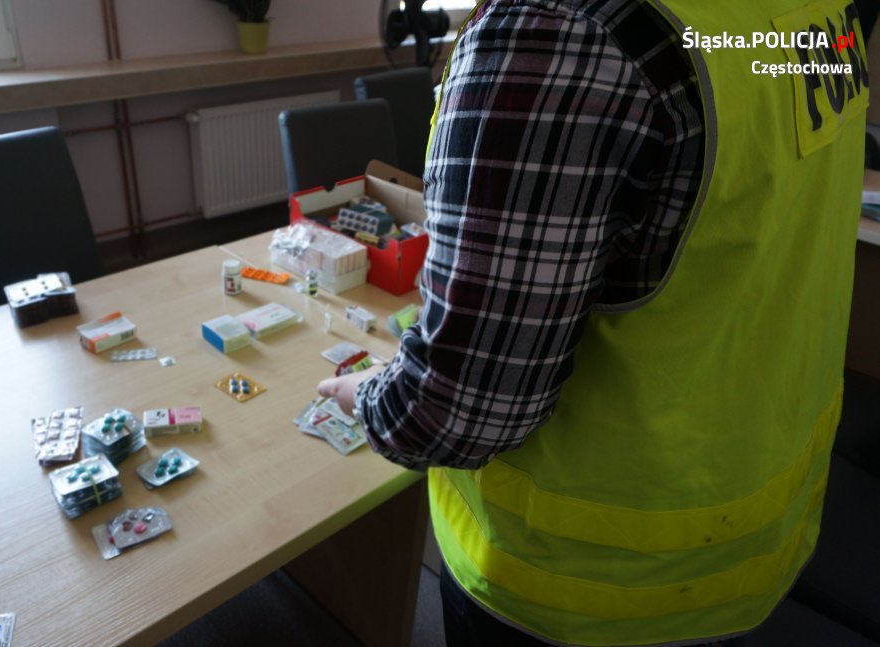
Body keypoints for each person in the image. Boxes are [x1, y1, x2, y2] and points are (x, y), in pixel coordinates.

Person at [319, 0, 869, 644]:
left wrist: (366, 394)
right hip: (751, 542)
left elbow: (456, 412)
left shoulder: (561, 29)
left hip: (581, 592)